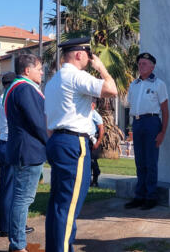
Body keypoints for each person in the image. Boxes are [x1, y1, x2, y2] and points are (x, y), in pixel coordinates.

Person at [44, 37, 117, 252]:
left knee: (58, 203)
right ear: (78, 55)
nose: (90, 59)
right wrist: (102, 68)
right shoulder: (76, 76)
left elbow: (48, 121)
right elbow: (111, 89)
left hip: (57, 140)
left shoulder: (53, 81)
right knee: (69, 205)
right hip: (74, 142)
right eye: (88, 55)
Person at [5, 54, 48, 252]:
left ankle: (17, 242)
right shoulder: (24, 88)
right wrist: (51, 142)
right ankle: (18, 244)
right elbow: (38, 122)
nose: (42, 72)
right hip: (28, 150)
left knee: (20, 198)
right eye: (39, 68)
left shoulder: (15, 88)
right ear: (27, 70)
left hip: (22, 149)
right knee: (23, 199)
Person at [124, 52, 169, 210]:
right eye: (139, 63)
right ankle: (139, 195)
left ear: (152, 66)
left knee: (151, 162)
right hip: (137, 123)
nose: (140, 66)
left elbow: (165, 110)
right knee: (140, 162)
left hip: (151, 123)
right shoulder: (133, 85)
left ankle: (151, 196)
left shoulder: (158, 84)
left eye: (144, 63)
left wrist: (162, 132)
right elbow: (132, 105)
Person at [0, 71, 35, 238]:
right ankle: (13, 226)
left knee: (5, 188)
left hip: (2, 144)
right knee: (16, 190)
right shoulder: (12, 99)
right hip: (12, 145)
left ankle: (4, 225)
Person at [89, 99, 105, 187]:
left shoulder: (95, 114)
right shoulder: (85, 113)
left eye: (90, 104)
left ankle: (95, 180)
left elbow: (101, 129)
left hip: (93, 140)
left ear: (94, 105)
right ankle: (88, 180)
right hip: (86, 139)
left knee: (93, 161)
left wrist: (98, 142)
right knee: (88, 162)